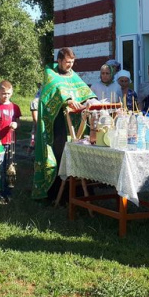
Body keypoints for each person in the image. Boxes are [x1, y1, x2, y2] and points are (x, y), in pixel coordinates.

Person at [32, 48, 96, 201]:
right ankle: (56, 195)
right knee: (60, 154)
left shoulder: (73, 75)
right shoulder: (50, 73)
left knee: (78, 153)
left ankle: (77, 194)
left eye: (72, 62)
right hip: (57, 123)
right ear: (59, 60)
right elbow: (56, 91)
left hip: (75, 124)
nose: (70, 65)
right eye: (67, 62)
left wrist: (91, 100)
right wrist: (67, 101)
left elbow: (85, 91)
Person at [0, 80, 21, 199]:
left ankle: (9, 191)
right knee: (0, 167)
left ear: (11, 93)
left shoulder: (15, 107)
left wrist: (16, 125)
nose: (5, 96)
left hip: (11, 142)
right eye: (3, 93)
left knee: (10, 168)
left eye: (8, 93)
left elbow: (18, 123)